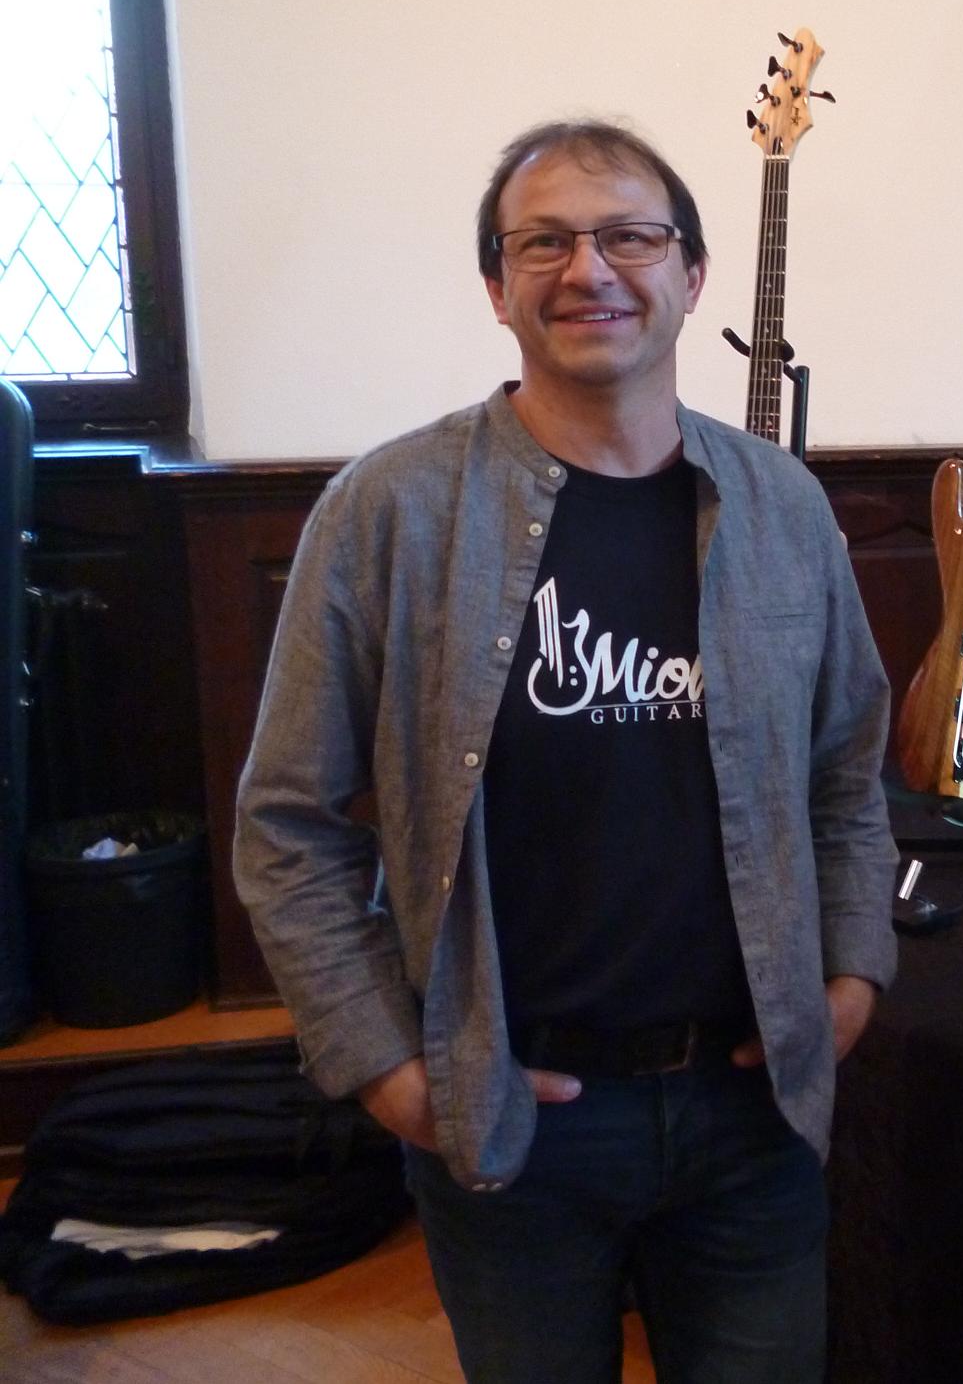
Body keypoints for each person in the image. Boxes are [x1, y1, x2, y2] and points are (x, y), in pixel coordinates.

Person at [232, 118, 897, 1383]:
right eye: (543, 243)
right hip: (507, 1114)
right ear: (498, 287)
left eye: (629, 236)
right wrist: (387, 1069)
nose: (589, 269)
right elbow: (286, 825)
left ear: (691, 274)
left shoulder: (782, 507)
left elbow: (847, 773)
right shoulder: (387, 512)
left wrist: (853, 975)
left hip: (753, 1107)